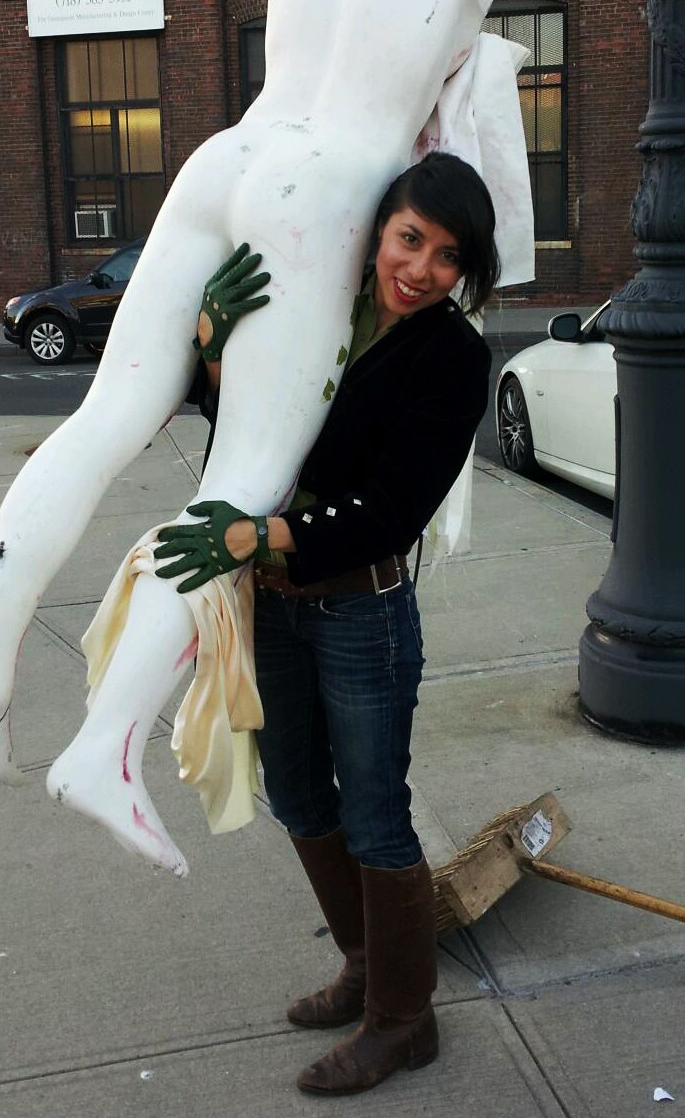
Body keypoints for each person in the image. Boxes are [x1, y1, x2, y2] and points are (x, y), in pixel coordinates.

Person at [154, 150, 498, 1096]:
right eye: (410, 238)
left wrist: (258, 534)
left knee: (376, 814)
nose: (420, 268)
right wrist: (214, 346)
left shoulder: (453, 358)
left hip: (362, 612)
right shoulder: (321, 305)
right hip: (274, 605)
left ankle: (404, 1019)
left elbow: (394, 510)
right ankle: (363, 965)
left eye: (447, 256)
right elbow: (247, 420)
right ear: (381, 228)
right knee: (301, 796)